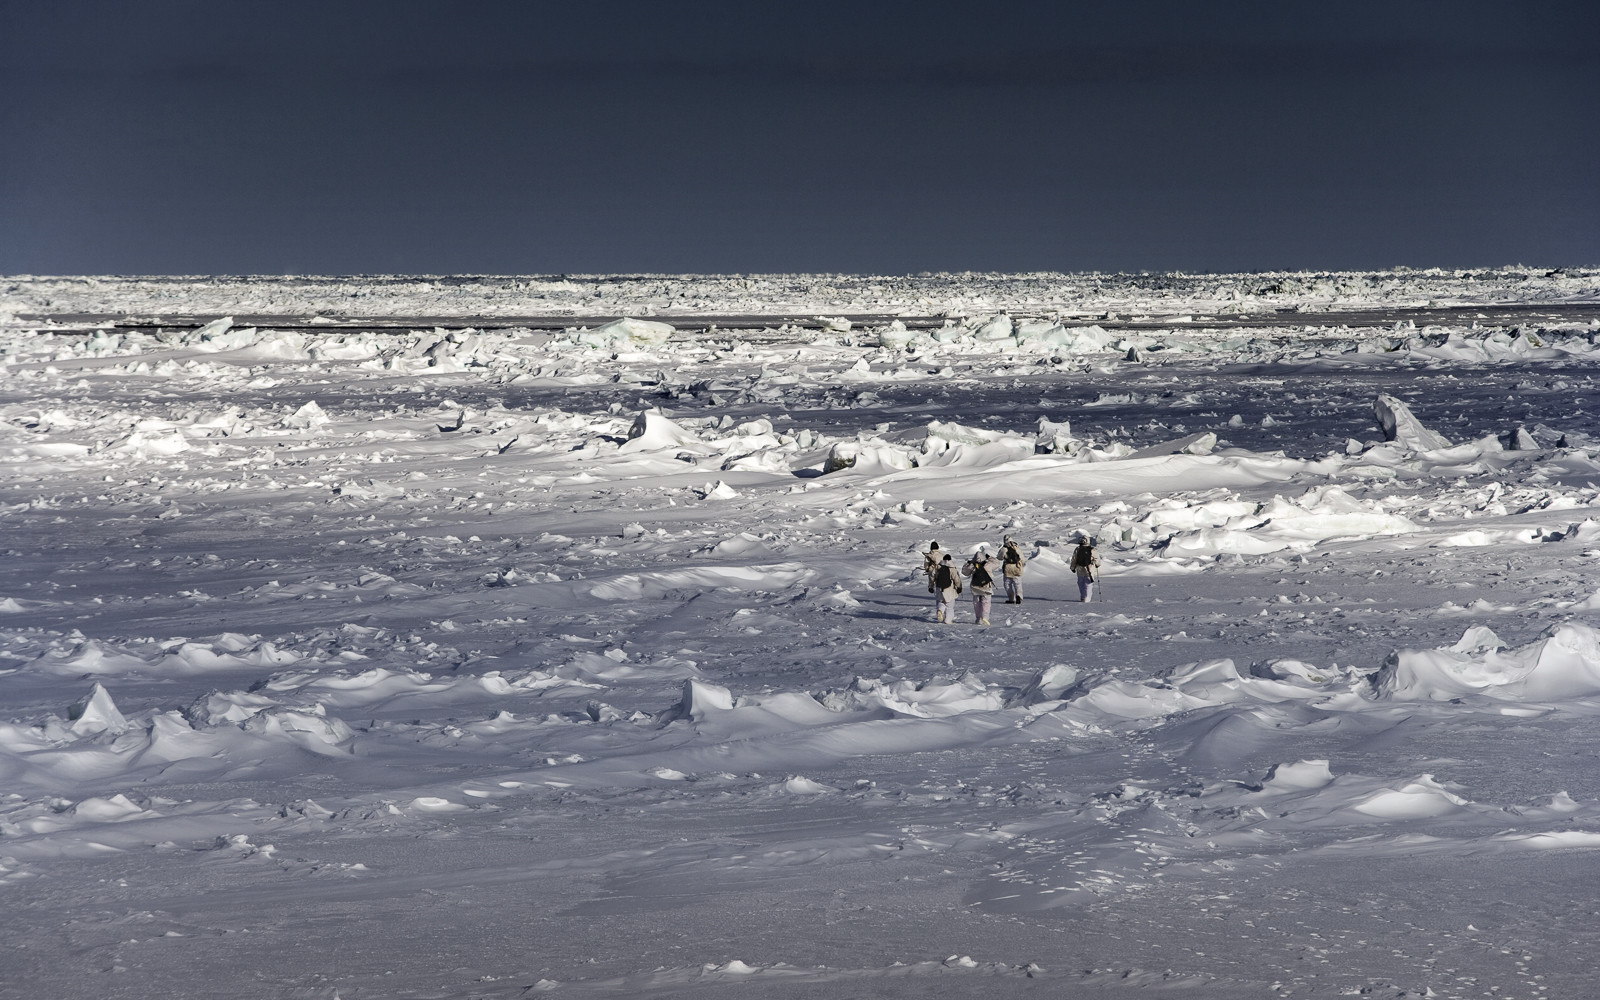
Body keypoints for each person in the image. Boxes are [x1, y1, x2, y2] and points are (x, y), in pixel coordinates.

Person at [962, 546, 1000, 625]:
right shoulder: (988, 564)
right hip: (986, 586)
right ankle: (985, 617)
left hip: (975, 587)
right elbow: (997, 563)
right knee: (986, 602)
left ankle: (978, 618)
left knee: (977, 603)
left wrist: (969, 563)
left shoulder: (973, 566)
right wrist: (989, 558)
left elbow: (964, 572)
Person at [1070, 536, 1101, 602]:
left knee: (1081, 584)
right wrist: (1097, 565)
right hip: (1089, 570)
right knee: (1088, 586)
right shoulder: (1092, 549)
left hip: (1080, 570)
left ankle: (1083, 597)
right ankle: (1086, 599)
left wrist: (1072, 568)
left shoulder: (1078, 549)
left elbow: (1074, 559)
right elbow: (1097, 560)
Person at [932, 553, 961, 624]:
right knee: (949, 606)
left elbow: (932, 576)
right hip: (949, 589)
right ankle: (948, 620)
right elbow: (956, 578)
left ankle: (940, 610)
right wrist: (959, 586)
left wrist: (931, 586)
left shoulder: (937, 567)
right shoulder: (952, 568)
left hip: (939, 588)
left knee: (941, 601)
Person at [1000, 536, 1026, 604]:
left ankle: (1011, 599)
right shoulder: (1017, 548)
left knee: (1007, 584)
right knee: (1018, 584)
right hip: (1017, 568)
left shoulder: (1004, 549)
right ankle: (1019, 596)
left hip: (1007, 568)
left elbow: (999, 557)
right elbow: (1022, 559)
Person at [921, 541, 943, 616]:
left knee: (937, 594)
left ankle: (939, 609)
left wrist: (928, 569)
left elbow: (926, 566)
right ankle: (943, 609)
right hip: (942, 576)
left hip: (933, 574)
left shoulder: (928, 556)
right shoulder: (941, 555)